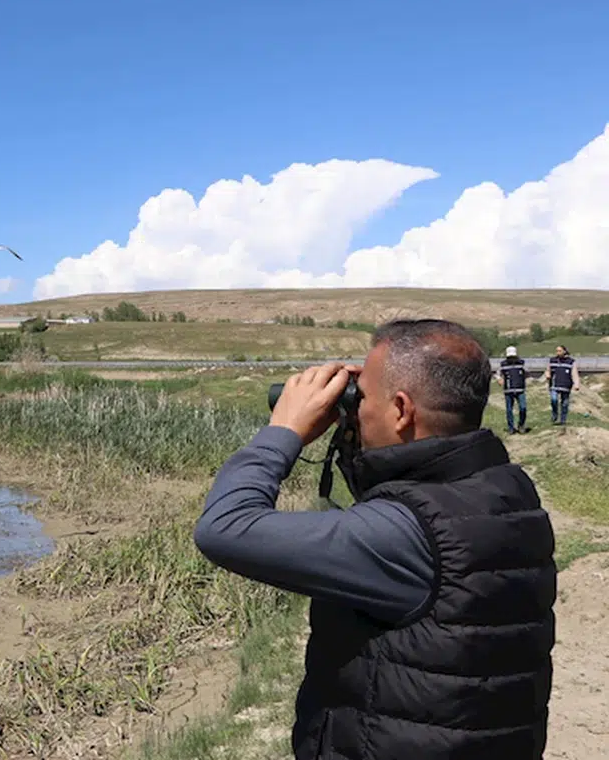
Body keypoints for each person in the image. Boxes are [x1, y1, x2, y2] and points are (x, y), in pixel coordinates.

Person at [193, 319, 556, 760]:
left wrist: (282, 431)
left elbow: (224, 527)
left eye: (361, 397)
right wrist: (355, 438)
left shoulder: (404, 535)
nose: (354, 407)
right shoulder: (504, 489)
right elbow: (398, 497)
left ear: (402, 410)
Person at [542, 344, 580, 425]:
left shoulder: (571, 362)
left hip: (566, 386)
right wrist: (547, 375)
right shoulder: (552, 360)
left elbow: (574, 374)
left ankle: (563, 420)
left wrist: (576, 384)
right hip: (554, 385)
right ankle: (554, 413)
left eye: (559, 351)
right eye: (557, 351)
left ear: (564, 351)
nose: (557, 352)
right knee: (554, 400)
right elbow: (547, 370)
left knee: (565, 404)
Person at [496, 344, 529, 434]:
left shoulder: (522, 363)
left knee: (523, 408)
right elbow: (498, 373)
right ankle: (511, 428)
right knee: (509, 410)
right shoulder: (503, 364)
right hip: (508, 389)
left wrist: (522, 380)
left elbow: (527, 373)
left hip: (520, 389)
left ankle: (521, 425)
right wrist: (499, 379)